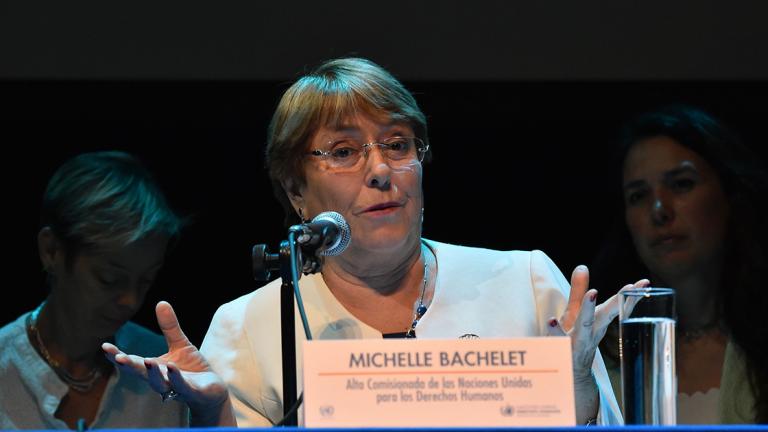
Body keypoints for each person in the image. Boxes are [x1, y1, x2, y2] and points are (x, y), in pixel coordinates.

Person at [106, 58, 642, 426]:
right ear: (295, 189)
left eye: (397, 143)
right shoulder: (249, 328)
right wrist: (215, 418)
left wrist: (580, 405)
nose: (382, 170)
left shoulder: (527, 286)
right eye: (343, 151)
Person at [0, 151, 232, 428]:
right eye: (109, 279)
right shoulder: (6, 366)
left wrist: (210, 413)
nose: (131, 300)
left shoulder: (167, 372)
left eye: (145, 280)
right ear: (51, 251)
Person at [592, 105, 768, 423]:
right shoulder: (599, 358)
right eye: (638, 196)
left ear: (729, 194)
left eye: (681, 184)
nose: (659, 210)